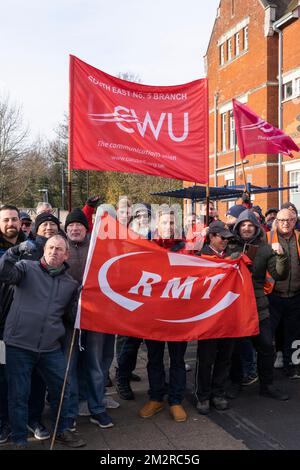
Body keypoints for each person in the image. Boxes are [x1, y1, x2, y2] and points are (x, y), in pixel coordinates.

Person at [0, 234, 86, 448]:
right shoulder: (25, 268)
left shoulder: (70, 284)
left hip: (49, 348)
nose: (53, 252)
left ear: (66, 255)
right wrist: (13, 252)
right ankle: (20, 439)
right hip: (18, 345)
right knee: (18, 394)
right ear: (44, 249)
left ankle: (63, 429)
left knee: (63, 388)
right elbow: (4, 273)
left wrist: (81, 303)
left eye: (59, 249)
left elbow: (69, 316)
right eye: (50, 247)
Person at [227, 210, 289, 400]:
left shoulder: (264, 248)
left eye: (250, 225)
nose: (246, 228)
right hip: (235, 305)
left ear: (255, 227)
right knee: (235, 348)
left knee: (265, 346)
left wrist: (281, 256)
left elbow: (279, 275)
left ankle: (267, 385)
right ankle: (235, 383)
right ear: (238, 227)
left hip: (257, 304)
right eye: (243, 225)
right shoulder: (228, 245)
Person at [64, 208, 116, 429]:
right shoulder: (59, 247)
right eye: (71, 226)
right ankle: (71, 409)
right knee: (69, 364)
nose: (75, 229)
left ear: (87, 228)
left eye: (79, 225)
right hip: (66, 317)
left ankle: (97, 407)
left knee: (95, 363)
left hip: (96, 316)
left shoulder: (98, 248)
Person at [139, 209, 188, 423]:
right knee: (154, 358)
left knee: (177, 359)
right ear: (156, 226)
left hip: (179, 316)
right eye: (164, 223)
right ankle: (156, 397)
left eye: (171, 223)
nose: (168, 226)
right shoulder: (147, 248)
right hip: (154, 315)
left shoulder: (187, 249)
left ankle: (176, 400)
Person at [195, 221, 235, 414]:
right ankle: (203, 395)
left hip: (227, 317)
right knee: (206, 359)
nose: (225, 241)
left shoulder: (232, 257)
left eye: (228, 238)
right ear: (211, 237)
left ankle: (218, 393)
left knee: (224, 358)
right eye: (222, 237)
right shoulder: (199, 256)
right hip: (208, 318)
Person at [267, 209, 300, 378]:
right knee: (267, 336)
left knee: (294, 335)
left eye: (290, 220)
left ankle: (291, 367)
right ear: (276, 221)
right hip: (272, 295)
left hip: (295, 295)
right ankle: (265, 373)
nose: (286, 223)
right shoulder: (266, 238)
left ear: (295, 221)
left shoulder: (299, 238)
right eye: (282, 220)